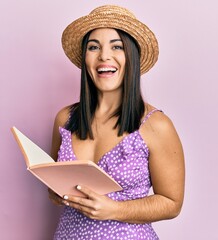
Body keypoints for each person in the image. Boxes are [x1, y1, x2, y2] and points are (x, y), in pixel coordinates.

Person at [48, 5, 185, 239]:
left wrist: (115, 210)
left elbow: (172, 203)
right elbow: (52, 189)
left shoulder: (156, 125)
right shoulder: (66, 119)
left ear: (131, 56)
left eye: (117, 46)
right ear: (85, 58)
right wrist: (58, 193)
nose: (104, 56)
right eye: (94, 47)